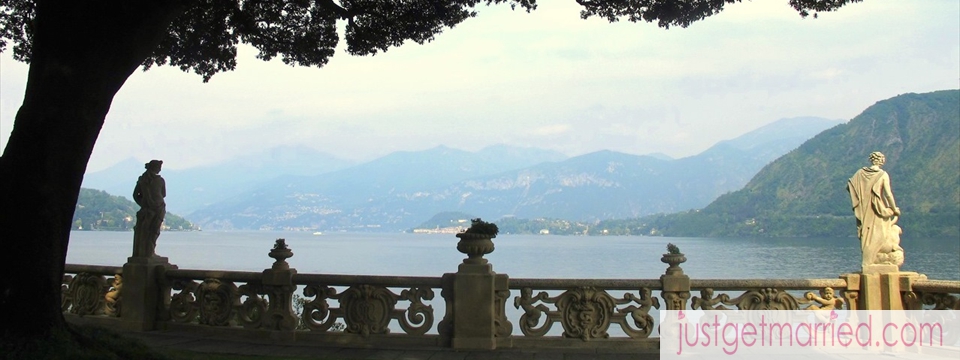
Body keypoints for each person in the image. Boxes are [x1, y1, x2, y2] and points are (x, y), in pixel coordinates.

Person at [847, 152, 902, 269]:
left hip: (865, 209)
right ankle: (869, 263)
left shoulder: (860, 173)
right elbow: (888, 194)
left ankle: (869, 262)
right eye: (882, 159)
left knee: (867, 235)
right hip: (877, 209)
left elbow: (850, 186)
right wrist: (894, 209)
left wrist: (863, 198)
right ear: (881, 160)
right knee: (879, 234)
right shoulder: (882, 174)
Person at [132, 160, 166, 257]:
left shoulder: (142, 180)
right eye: (159, 167)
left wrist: (143, 203)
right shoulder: (160, 180)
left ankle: (146, 252)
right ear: (155, 168)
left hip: (149, 208)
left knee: (146, 231)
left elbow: (135, 195)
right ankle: (149, 252)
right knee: (153, 231)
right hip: (158, 207)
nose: (160, 169)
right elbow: (163, 194)